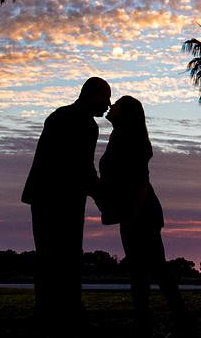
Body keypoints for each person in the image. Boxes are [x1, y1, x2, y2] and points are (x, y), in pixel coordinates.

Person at [21, 77, 111, 323]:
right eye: (105, 98)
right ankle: (68, 308)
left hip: (42, 195)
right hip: (64, 197)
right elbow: (83, 167)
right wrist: (103, 198)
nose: (108, 105)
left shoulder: (58, 116)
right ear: (91, 95)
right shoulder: (87, 126)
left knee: (47, 253)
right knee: (68, 253)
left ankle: (47, 309)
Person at [96, 95, 185, 323]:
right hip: (134, 210)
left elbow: (140, 182)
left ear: (126, 113)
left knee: (151, 266)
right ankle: (153, 313)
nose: (110, 106)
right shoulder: (119, 136)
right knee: (143, 266)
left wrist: (131, 214)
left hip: (141, 211)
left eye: (115, 105)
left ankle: (167, 314)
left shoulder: (131, 139)